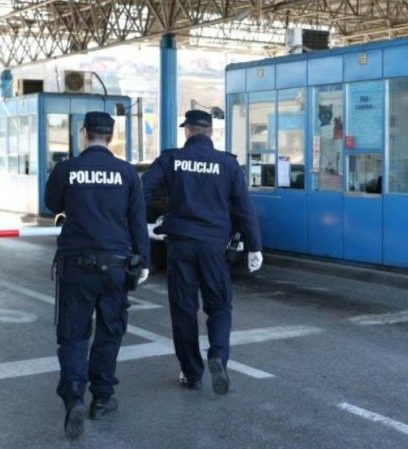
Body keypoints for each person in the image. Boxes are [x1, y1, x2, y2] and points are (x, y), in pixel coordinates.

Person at [141, 109, 262, 395]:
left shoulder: (171, 159)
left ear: (187, 131)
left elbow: (141, 191)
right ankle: (218, 354)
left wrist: (147, 225)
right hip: (214, 246)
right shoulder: (227, 163)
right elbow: (244, 208)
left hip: (181, 244)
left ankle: (192, 372)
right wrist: (254, 246)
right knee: (219, 306)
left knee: (183, 309)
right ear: (211, 132)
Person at [45, 111, 150, 439]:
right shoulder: (127, 173)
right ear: (111, 135)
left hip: (75, 264)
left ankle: (75, 394)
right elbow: (137, 220)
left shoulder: (67, 169)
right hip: (116, 264)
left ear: (84, 132)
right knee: (110, 330)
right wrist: (144, 262)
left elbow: (51, 204)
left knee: (74, 333)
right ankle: (102, 398)